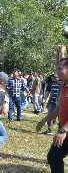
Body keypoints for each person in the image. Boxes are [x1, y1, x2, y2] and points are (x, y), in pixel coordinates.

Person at [36, 44, 68, 173]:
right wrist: (44, 120)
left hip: (65, 130)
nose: (57, 72)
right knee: (53, 157)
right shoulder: (63, 86)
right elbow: (60, 108)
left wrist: (63, 130)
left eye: (60, 69)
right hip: (64, 130)